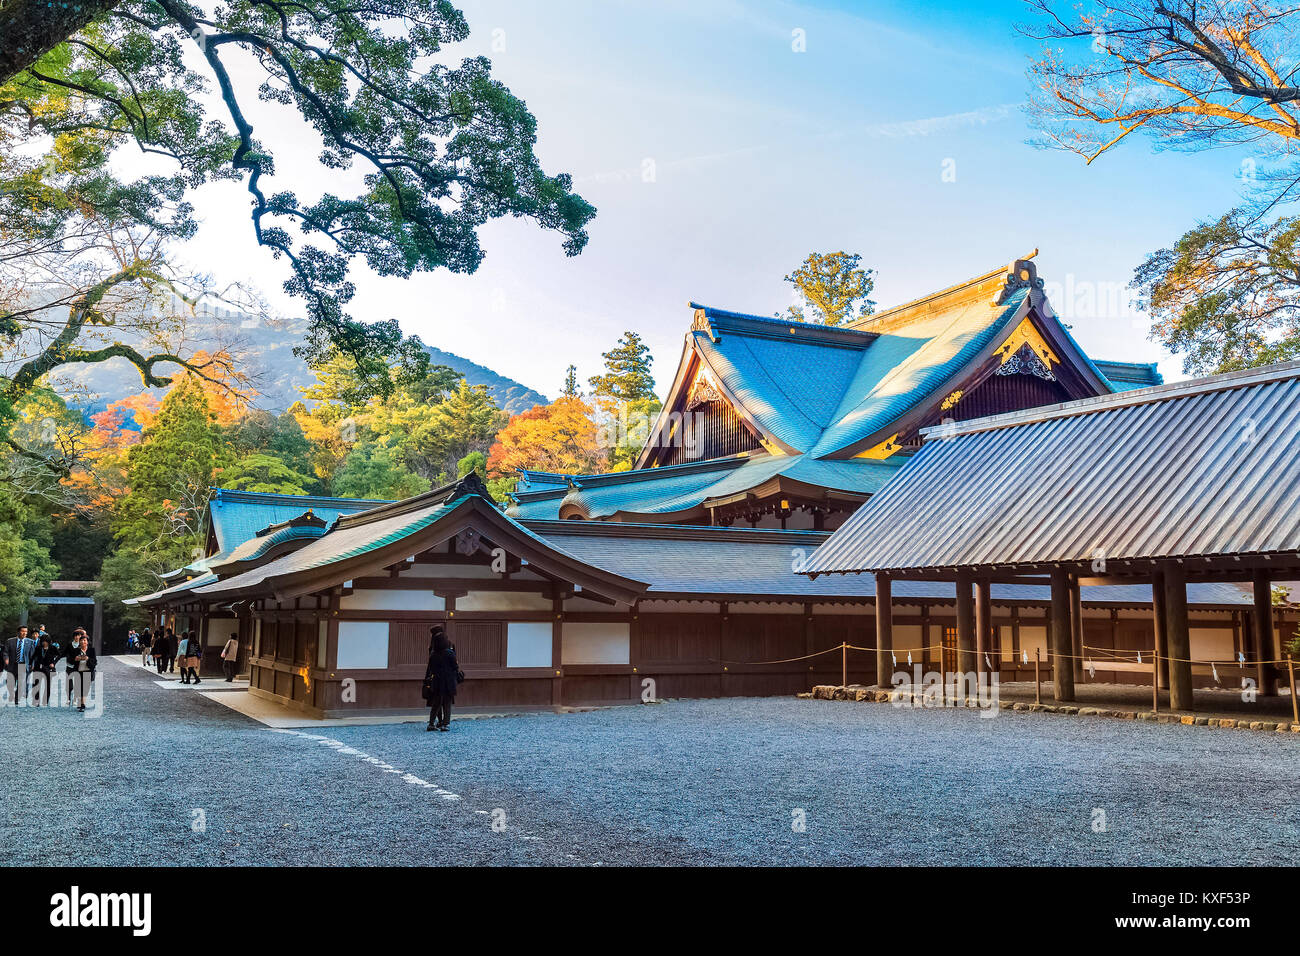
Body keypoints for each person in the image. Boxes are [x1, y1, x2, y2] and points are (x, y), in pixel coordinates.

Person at [422, 625, 460, 732]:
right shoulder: (450, 651)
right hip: (448, 680)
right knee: (447, 702)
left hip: (436, 680)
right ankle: (445, 723)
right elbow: (455, 666)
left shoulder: (433, 652)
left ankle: (432, 723)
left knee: (436, 702)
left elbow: (431, 667)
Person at [3, 625, 38, 706]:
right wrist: (6, 659)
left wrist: (32, 664)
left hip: (23, 665)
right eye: (23, 631)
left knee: (21, 684)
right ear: (18, 632)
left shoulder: (30, 642)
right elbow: (5, 652)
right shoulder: (10, 641)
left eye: (26, 632)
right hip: (12, 665)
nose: (25, 633)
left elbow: (33, 655)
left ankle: (16, 699)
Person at [67, 633, 96, 712]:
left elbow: (95, 661)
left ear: (87, 642)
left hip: (88, 671)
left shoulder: (91, 650)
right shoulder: (76, 650)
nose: (83, 642)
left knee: (85, 689)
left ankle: (82, 705)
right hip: (78, 671)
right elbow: (70, 660)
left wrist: (87, 659)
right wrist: (75, 659)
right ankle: (80, 703)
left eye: (84, 640)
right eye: (81, 640)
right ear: (79, 642)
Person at [29, 635, 59, 707]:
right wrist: (31, 665)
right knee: (36, 684)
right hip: (38, 668)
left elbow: (59, 655)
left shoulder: (53, 648)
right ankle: (36, 700)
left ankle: (45, 701)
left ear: (48, 641)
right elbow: (33, 657)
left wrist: (54, 663)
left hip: (48, 668)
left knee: (48, 685)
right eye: (43, 641)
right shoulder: (38, 648)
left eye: (45, 641)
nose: (44, 643)